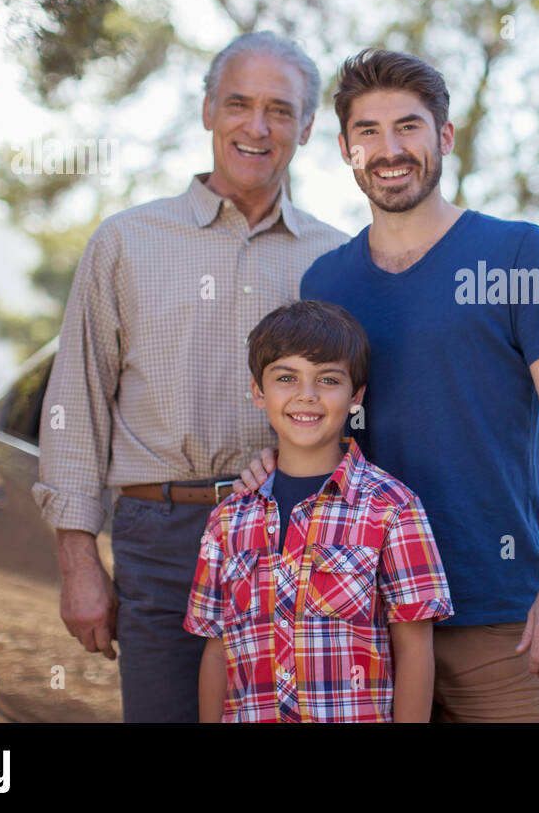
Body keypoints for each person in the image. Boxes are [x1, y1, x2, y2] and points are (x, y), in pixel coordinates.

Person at [239, 48, 539, 722]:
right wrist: (280, 465)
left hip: (497, 616)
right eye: (368, 133)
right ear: (346, 150)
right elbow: (324, 423)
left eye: (408, 126)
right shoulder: (326, 283)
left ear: (444, 137)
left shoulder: (518, 254)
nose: (389, 149)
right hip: (358, 616)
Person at [32, 31, 349, 722]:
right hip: (162, 535)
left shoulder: (338, 260)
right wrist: (78, 562)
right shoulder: (126, 242)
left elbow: (362, 416)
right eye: (238, 103)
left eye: (280, 109)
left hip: (301, 536)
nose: (257, 127)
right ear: (208, 110)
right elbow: (75, 403)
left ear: (307, 126)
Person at [185, 299, 453, 722]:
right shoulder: (227, 520)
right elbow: (217, 652)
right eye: (286, 377)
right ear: (258, 390)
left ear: (355, 396)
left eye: (328, 379)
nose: (306, 396)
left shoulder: (393, 509)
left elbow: (415, 651)